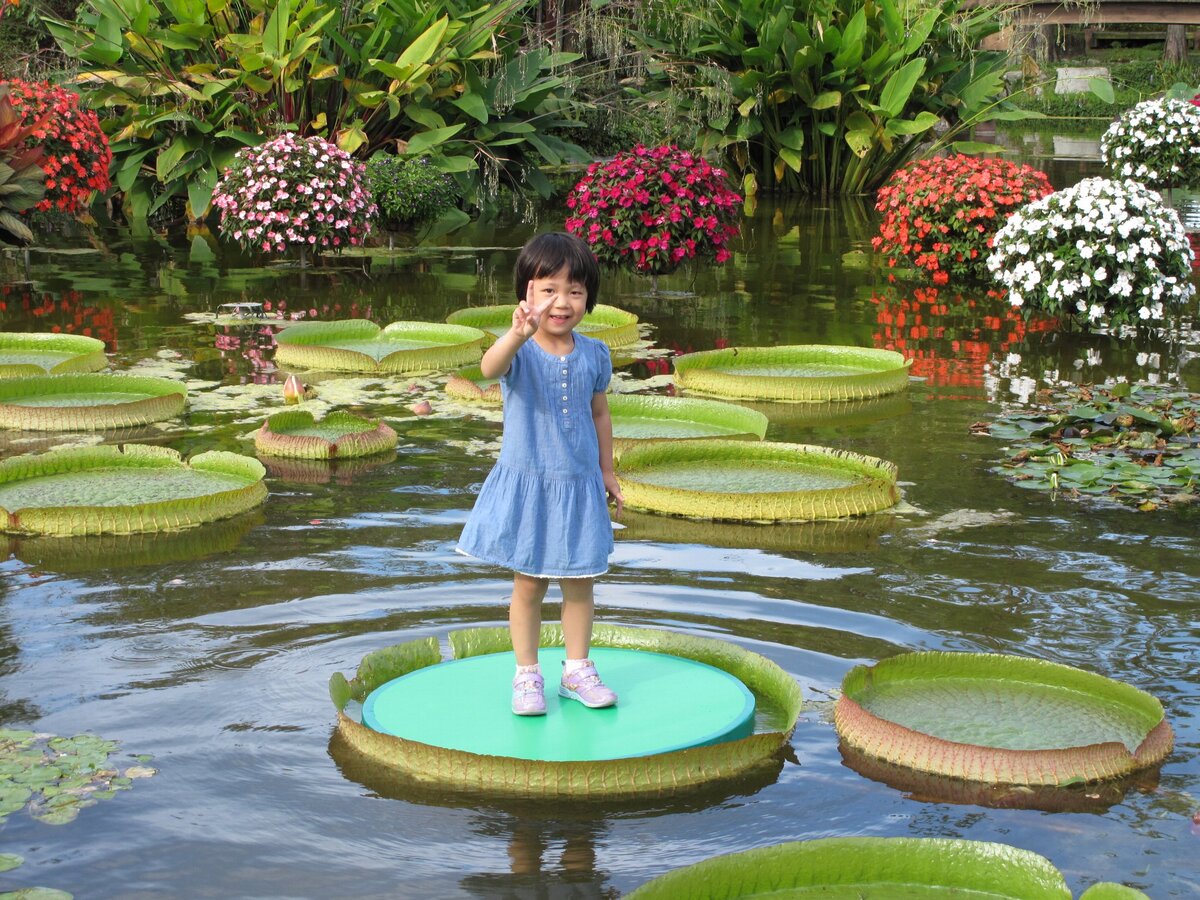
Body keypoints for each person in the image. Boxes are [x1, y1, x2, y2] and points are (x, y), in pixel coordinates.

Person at [457, 232, 624, 716]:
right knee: (528, 584)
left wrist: (607, 470)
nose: (562, 301)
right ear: (526, 295)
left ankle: (576, 670)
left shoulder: (594, 353)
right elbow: (489, 369)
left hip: (578, 486)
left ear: (588, 297)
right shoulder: (521, 350)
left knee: (581, 582)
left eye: (574, 291)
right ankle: (527, 675)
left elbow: (600, 415)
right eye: (548, 289)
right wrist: (515, 335)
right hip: (531, 484)